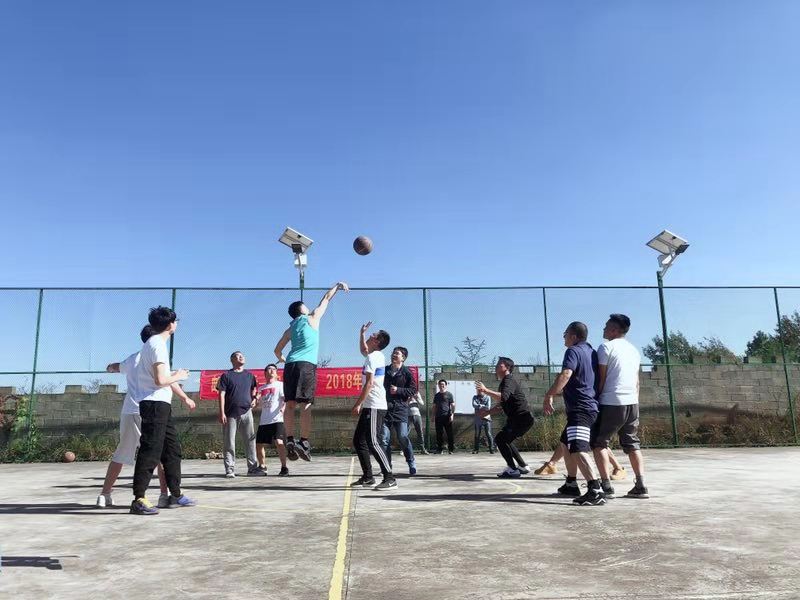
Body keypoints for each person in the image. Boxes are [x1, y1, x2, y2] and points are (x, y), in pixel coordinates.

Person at [97, 325, 196, 508]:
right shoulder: (155, 353)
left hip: (131, 410)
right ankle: (163, 495)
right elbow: (166, 381)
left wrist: (109, 367)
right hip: (151, 407)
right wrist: (185, 396)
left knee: (123, 453)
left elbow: (115, 367)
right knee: (158, 453)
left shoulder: (133, 358)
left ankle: (105, 494)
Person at [130, 306, 196, 515]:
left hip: (162, 404)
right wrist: (180, 375)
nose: (176, 324)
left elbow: (161, 378)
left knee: (172, 450)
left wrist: (182, 395)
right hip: (153, 404)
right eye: (175, 321)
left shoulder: (154, 344)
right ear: (170, 325)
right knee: (151, 449)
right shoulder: (157, 344)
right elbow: (161, 380)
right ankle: (139, 499)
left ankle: (175, 494)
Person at [274, 282, 349, 463]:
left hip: (290, 365)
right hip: (305, 365)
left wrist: (284, 360)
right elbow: (326, 299)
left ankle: (289, 439)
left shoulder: (290, 329)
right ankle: (304, 442)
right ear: (302, 309)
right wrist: (337, 286)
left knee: (290, 404)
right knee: (305, 405)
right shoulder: (312, 317)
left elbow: (277, 351)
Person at [544, 321, 605, 506]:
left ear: (573, 336)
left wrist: (549, 395)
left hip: (581, 408)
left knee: (578, 447)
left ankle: (595, 490)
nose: (563, 338)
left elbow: (566, 374)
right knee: (565, 443)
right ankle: (571, 483)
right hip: (590, 406)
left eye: (565, 334)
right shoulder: (591, 352)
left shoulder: (573, 351)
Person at [590, 314, 649, 499]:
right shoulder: (633, 350)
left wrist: (595, 398)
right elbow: (636, 380)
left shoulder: (606, 347)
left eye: (606, 326)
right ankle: (640, 485)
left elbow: (601, 378)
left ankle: (606, 486)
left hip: (611, 401)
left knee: (599, 443)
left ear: (614, 330)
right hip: (632, 401)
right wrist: (635, 400)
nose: (603, 329)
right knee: (632, 443)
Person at [350, 322, 396, 489]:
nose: (370, 335)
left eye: (373, 335)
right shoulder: (375, 355)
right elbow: (364, 349)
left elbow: (369, 384)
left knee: (373, 442)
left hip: (375, 405)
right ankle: (368, 477)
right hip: (371, 406)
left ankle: (390, 478)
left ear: (377, 341)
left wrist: (358, 404)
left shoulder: (373, 357)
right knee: (358, 441)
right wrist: (362, 333)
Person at [476, 357, 533, 478]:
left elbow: (503, 397)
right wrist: (488, 412)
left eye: (499, 364)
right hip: (517, 419)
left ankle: (512, 469)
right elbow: (502, 404)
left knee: (501, 439)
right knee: (505, 439)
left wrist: (485, 390)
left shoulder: (509, 380)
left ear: (507, 367)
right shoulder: (505, 382)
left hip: (521, 418)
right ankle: (523, 466)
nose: (496, 366)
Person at [217, 351, 259, 477]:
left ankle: (252, 468)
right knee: (229, 442)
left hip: (247, 412)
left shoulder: (250, 376)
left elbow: (254, 388)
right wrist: (222, 412)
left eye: (242, 356)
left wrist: (254, 399)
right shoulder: (226, 375)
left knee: (250, 441)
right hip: (230, 414)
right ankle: (230, 469)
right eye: (238, 356)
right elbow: (221, 394)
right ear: (232, 360)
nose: (241, 357)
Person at [381, 346, 418, 475]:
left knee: (402, 436)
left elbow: (413, 390)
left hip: (401, 409)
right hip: (385, 408)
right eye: (393, 353)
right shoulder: (385, 370)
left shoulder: (407, 372)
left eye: (397, 353)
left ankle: (411, 461)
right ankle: (387, 466)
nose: (394, 355)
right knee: (384, 439)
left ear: (403, 358)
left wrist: (398, 390)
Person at [255, 363, 289, 477]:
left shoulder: (280, 385)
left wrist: (283, 408)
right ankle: (262, 467)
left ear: (276, 373)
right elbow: (256, 405)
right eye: (269, 369)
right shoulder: (261, 388)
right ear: (265, 373)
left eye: (274, 369)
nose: (272, 371)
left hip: (277, 419)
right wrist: (255, 399)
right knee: (259, 444)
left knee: (279, 442)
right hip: (264, 421)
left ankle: (284, 467)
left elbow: (285, 400)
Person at [432, 380, 455, 454]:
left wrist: (452, 414)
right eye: (440, 384)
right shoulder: (436, 395)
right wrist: (433, 416)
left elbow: (453, 405)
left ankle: (451, 449)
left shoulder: (449, 394)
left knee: (449, 433)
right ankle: (440, 449)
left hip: (447, 416)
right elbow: (434, 406)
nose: (441, 386)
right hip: (438, 417)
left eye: (443, 384)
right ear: (438, 385)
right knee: (439, 434)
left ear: (445, 385)